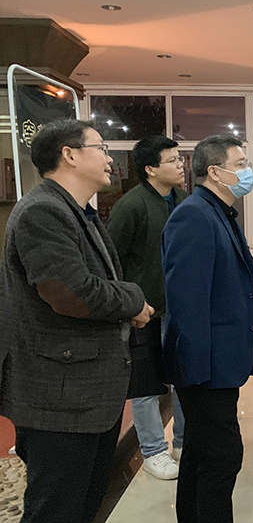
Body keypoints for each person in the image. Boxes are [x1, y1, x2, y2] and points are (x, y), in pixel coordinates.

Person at [0, 119, 154, 522]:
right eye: (101, 148)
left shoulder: (78, 211)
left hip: (86, 394)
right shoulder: (43, 211)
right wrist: (134, 300)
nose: (109, 158)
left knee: (84, 505)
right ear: (69, 155)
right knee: (57, 509)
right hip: (60, 397)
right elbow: (71, 293)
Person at [162, 135, 253, 523]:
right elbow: (187, 301)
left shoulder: (219, 211)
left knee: (200, 450)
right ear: (215, 172)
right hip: (204, 367)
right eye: (240, 164)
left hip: (218, 361)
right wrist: (197, 372)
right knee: (223, 456)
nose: (248, 171)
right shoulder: (194, 216)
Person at [107, 136, 187, 481]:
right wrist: (128, 303)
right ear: (150, 169)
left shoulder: (183, 199)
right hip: (144, 311)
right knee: (146, 385)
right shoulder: (131, 206)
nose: (181, 165)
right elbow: (112, 260)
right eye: (173, 160)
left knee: (183, 378)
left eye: (180, 158)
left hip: (179, 307)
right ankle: (154, 450)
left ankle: (183, 442)